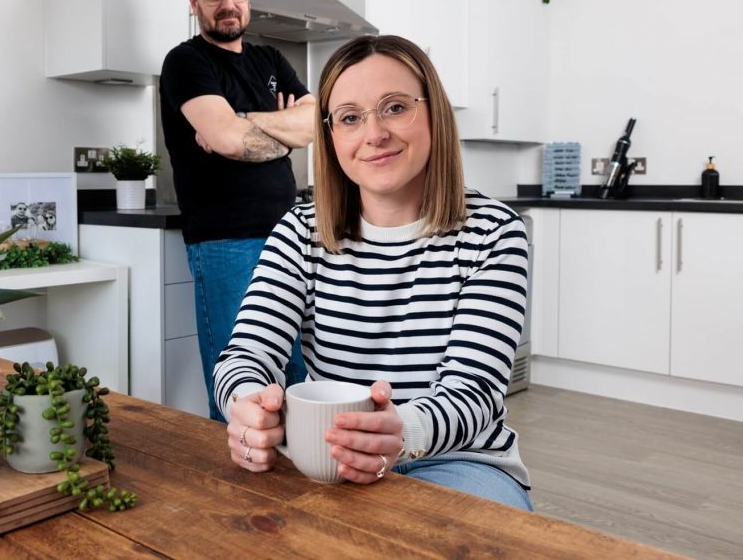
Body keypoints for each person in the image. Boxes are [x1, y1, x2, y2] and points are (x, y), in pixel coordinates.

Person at [213, 35, 533, 510]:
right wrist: (246, 405)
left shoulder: (493, 233)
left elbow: (475, 390)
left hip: (460, 461)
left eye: (395, 107)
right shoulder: (300, 233)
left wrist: (400, 433)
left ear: (434, 113)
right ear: (332, 137)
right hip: (329, 461)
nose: (374, 133)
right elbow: (246, 354)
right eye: (349, 117)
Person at [160, 0, 312, 422]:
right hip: (226, 240)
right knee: (241, 384)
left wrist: (246, 122)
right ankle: (239, 486)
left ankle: (298, 484)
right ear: (195, 3)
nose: (228, 3)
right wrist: (277, 131)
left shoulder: (270, 58)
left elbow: (312, 124)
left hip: (290, 236)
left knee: (298, 376)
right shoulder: (186, 62)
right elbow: (226, 139)